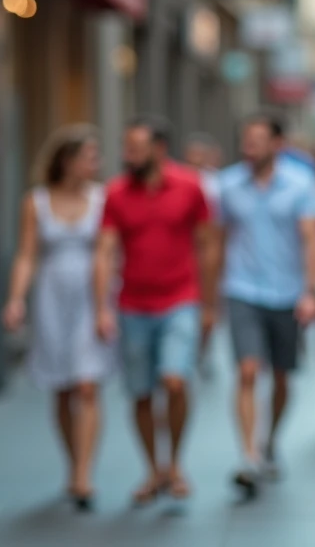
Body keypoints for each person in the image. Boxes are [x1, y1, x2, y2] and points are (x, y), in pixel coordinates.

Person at [93, 117, 219, 505]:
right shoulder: (115, 192)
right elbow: (105, 250)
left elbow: (208, 245)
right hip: (132, 305)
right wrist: (101, 307)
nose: (126, 155)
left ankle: (176, 463)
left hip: (180, 299)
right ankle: (153, 469)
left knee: (176, 381)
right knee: (141, 393)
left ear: (159, 149)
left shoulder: (189, 186)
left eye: (135, 147)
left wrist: (209, 304)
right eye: (125, 147)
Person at [2, 125, 113, 511]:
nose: (95, 163)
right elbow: (26, 254)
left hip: (91, 294)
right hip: (51, 296)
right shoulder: (37, 202)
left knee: (87, 384)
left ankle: (84, 473)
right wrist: (15, 299)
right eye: (89, 156)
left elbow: (106, 253)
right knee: (63, 387)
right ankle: (73, 462)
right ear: (67, 160)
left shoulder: (103, 199)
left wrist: (104, 308)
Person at [216, 113, 315, 498]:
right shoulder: (226, 185)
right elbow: (216, 238)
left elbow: (311, 239)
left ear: (278, 144)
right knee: (247, 372)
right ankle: (248, 456)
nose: (250, 147)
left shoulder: (301, 183)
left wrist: (310, 291)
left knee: (281, 377)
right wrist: (210, 295)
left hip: (287, 293)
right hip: (241, 288)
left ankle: (269, 440)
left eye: (258, 140)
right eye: (246, 140)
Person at [185, 132, 225, 379]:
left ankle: (204, 348)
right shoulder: (179, 182)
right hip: (184, 254)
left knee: (209, 303)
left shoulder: (215, 185)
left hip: (206, 251)